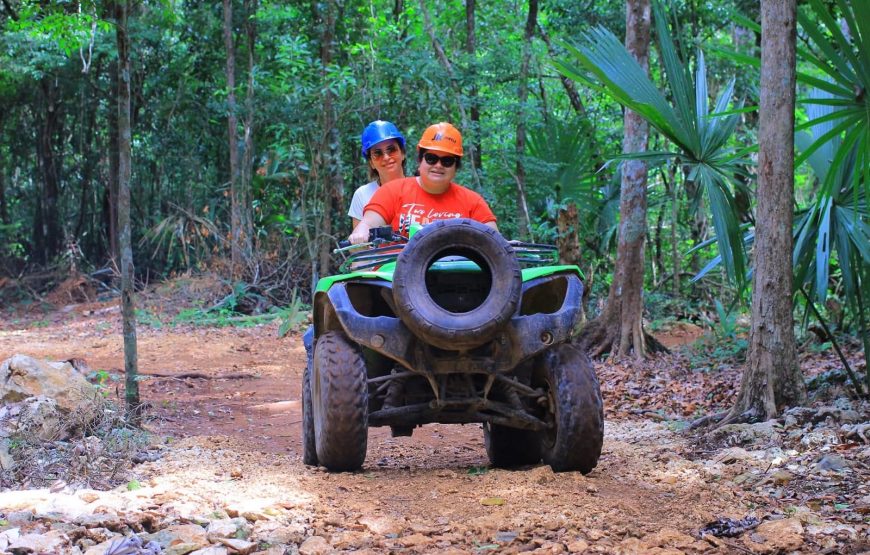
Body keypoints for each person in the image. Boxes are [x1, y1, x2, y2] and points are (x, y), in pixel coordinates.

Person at [348, 122, 497, 244]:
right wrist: (361, 234)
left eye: (447, 161)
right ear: (420, 160)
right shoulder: (391, 191)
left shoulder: (472, 201)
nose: (438, 165)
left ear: (455, 167)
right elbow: (367, 224)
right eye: (431, 158)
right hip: (398, 274)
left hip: (458, 275)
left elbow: (496, 242)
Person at [349, 120, 407, 228]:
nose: (386, 157)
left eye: (391, 150)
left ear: (402, 153)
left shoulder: (418, 188)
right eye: (378, 153)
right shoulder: (362, 195)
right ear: (371, 162)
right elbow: (360, 243)